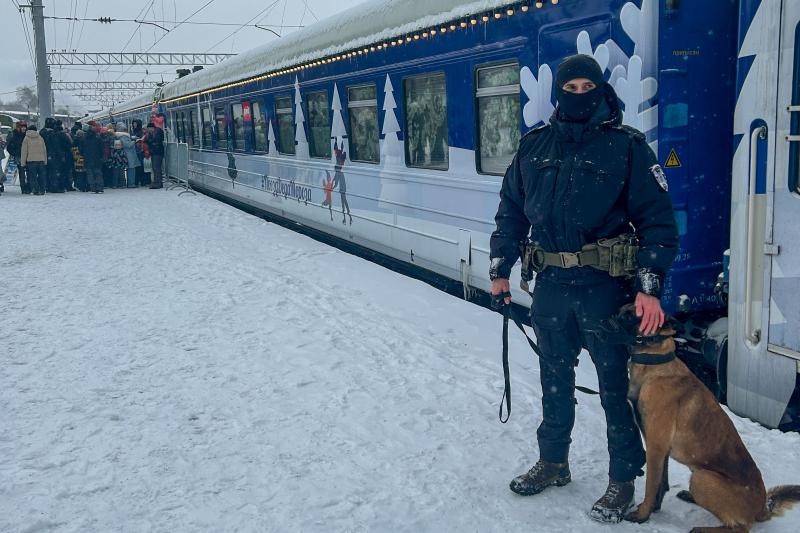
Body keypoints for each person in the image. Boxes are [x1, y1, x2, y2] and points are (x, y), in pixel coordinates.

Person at [489, 54, 678, 523]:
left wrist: (649, 286)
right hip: (551, 284)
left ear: (600, 91)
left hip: (605, 288)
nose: (578, 95)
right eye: (570, 88)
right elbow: (511, 212)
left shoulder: (627, 148)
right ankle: (553, 462)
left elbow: (658, 223)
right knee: (553, 381)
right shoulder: (534, 146)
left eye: (586, 88)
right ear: (559, 93)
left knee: (615, 388)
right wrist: (500, 267)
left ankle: (623, 478)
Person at [20, 125, 47, 195]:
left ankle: (35, 189)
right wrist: (45, 160)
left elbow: (24, 151)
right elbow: (44, 150)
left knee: (32, 177)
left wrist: (23, 163)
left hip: (31, 161)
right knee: (42, 176)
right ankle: (42, 189)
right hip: (41, 160)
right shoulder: (40, 137)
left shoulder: (26, 138)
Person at [5, 121, 29, 194]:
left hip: (28, 155)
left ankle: (29, 186)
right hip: (19, 156)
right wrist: (15, 153)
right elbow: (9, 147)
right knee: (22, 171)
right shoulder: (14, 135)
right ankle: (23, 188)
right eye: (22, 127)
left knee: (29, 171)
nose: (24, 128)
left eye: (25, 127)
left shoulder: (27, 135)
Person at [115, 123, 142, 188]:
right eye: (125, 129)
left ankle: (131, 183)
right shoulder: (123, 136)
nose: (126, 130)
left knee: (130, 168)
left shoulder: (121, 136)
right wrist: (135, 141)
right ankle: (131, 183)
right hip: (129, 154)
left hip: (127, 153)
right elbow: (128, 145)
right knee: (131, 168)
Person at [81, 124, 104, 193]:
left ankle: (93, 188)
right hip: (97, 158)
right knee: (98, 173)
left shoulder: (84, 139)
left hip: (87, 159)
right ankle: (99, 187)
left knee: (90, 174)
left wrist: (84, 155)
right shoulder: (98, 138)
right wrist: (101, 156)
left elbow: (81, 149)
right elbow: (101, 149)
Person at [144, 121, 164, 189]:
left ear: (151, 128)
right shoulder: (152, 133)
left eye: (149, 128)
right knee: (155, 168)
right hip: (155, 152)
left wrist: (149, 141)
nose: (148, 130)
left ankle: (157, 183)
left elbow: (155, 141)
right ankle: (158, 182)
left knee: (156, 168)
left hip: (157, 152)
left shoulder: (157, 132)